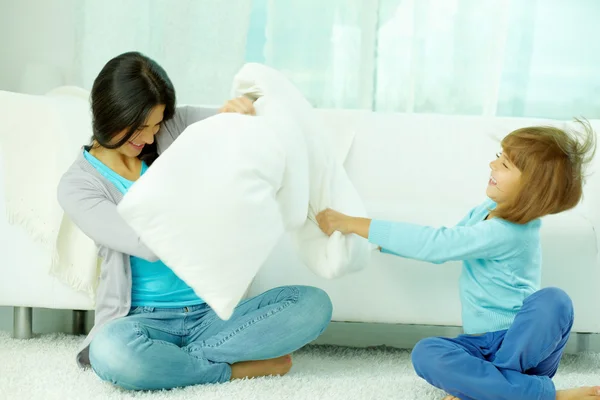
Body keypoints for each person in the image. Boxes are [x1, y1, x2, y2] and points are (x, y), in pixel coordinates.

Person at [57, 51, 332, 391]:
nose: (149, 137)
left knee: (313, 306)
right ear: (110, 115)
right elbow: (150, 242)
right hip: (141, 321)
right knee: (111, 353)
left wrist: (239, 112)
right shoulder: (77, 186)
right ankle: (231, 369)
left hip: (211, 314)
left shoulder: (175, 127)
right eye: (139, 128)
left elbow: (242, 125)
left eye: (156, 124)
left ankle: (174, 362)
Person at [315, 122, 600, 400]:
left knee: (554, 300)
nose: (492, 164)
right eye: (499, 156)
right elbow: (446, 242)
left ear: (531, 189)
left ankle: (499, 386)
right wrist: (378, 243)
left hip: (524, 345)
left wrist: (353, 223)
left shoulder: (508, 232)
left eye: (505, 165)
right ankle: (500, 388)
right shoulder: (489, 210)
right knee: (426, 353)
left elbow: (437, 245)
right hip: (479, 344)